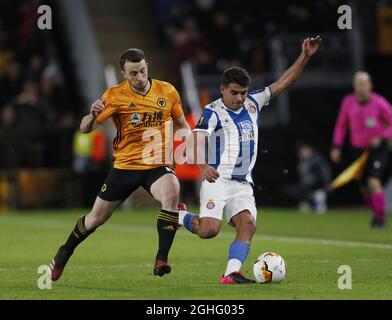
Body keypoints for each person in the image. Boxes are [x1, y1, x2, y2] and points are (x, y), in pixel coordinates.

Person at [178, 36, 322, 283]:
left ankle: (231, 273)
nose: (240, 98)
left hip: (243, 183)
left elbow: (284, 82)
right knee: (208, 231)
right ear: (222, 89)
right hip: (218, 180)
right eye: (234, 93)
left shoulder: (254, 102)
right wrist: (202, 165)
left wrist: (305, 56)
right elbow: (196, 139)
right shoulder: (212, 112)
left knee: (248, 225)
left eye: (243, 93)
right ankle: (180, 216)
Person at [49, 48, 190, 280]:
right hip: (125, 167)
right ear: (123, 73)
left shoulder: (167, 91)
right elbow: (85, 128)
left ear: (147, 67)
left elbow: (182, 124)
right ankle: (65, 251)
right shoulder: (114, 95)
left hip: (156, 166)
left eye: (143, 71)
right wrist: (92, 115)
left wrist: (188, 147)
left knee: (171, 191)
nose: (140, 78)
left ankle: (161, 259)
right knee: (96, 219)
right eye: (133, 73)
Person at [330, 71, 392, 228]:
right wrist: (336, 146)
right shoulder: (348, 102)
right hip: (357, 151)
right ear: (354, 87)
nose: (361, 88)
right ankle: (376, 213)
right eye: (358, 84)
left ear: (370, 86)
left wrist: (382, 136)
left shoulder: (380, 103)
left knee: (373, 181)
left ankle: (380, 219)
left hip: (377, 149)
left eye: (364, 84)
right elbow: (341, 125)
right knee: (364, 188)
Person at [285, 142, 331, 214]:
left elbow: (325, 172)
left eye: (304, 150)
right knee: (291, 189)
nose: (302, 152)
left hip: (316, 184)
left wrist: (327, 184)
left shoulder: (317, 159)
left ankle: (318, 201)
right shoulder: (302, 161)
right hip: (305, 185)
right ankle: (308, 203)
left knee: (317, 194)